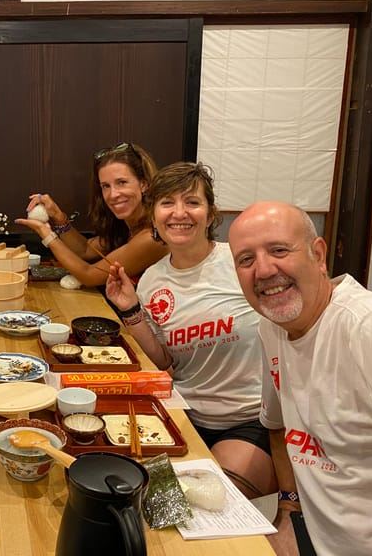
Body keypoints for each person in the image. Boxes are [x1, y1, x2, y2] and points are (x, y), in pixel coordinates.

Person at [229, 201, 372, 556]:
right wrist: (289, 511)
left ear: (318, 254)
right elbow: (278, 428)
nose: (264, 270)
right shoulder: (272, 328)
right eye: (246, 260)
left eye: (279, 250)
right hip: (314, 539)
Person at [105, 162, 276, 498]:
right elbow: (164, 359)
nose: (179, 213)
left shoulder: (241, 264)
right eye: (167, 202)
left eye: (192, 202)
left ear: (210, 214)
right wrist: (130, 309)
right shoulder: (152, 280)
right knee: (139, 495)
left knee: (208, 501)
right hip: (185, 415)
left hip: (249, 421)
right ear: (153, 215)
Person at [15, 142, 166, 286]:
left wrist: (46, 234)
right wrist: (58, 216)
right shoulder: (127, 225)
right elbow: (85, 250)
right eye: (105, 186)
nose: (113, 194)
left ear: (144, 184)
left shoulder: (153, 237)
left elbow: (89, 275)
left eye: (122, 182)